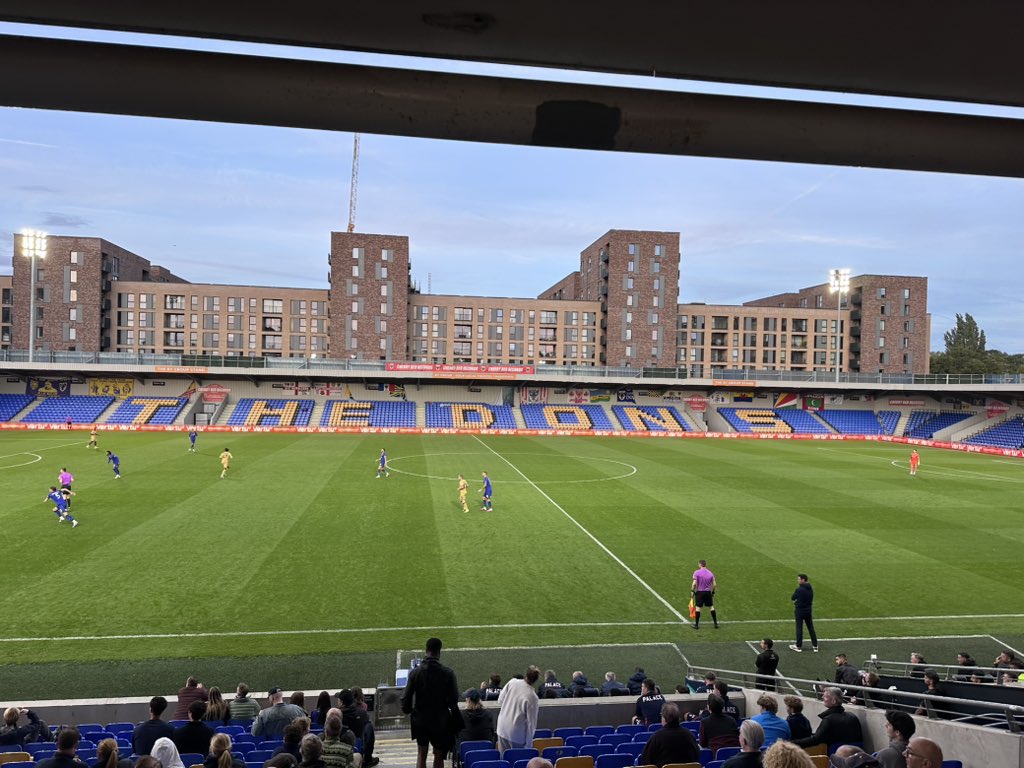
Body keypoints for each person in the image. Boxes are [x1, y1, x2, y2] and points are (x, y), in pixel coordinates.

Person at [401, 637, 462, 768]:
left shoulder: (415, 673)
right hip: (440, 721)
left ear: (426, 651)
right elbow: (453, 701)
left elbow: (405, 700)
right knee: (439, 756)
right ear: (439, 652)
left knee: (421, 754)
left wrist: (411, 711)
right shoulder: (448, 673)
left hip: (421, 719)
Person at [791, 686, 863, 749]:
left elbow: (815, 740)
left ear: (834, 701)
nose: (822, 697)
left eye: (825, 696)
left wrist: (792, 743)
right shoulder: (852, 716)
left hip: (837, 755)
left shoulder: (829, 719)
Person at [639, 703, 700, 768]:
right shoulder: (689, 735)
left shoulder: (657, 737)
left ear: (664, 718)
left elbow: (645, 760)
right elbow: (696, 756)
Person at [495, 666, 540, 753]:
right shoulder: (532, 697)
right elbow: (531, 724)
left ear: (526, 675)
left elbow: (500, 700)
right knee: (516, 760)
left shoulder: (513, 682)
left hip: (502, 728)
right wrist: (528, 745)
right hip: (516, 735)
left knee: (504, 760)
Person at [339, 689, 376, 767]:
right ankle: (368, 759)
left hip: (341, 750)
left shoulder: (337, 714)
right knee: (369, 727)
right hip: (358, 748)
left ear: (341, 702)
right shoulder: (362, 713)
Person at [456, 688, 495, 753]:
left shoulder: (461, 715)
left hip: (466, 752)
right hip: (485, 751)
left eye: (466, 699)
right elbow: (492, 732)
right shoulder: (488, 714)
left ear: (468, 700)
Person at [789, 573, 818, 652]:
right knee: (811, 627)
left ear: (803, 580)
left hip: (800, 611)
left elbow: (792, 597)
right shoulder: (810, 588)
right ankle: (815, 646)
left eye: (799, 579)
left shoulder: (799, 589)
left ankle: (798, 646)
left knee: (799, 628)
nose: (797, 580)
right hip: (808, 610)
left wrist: (797, 601)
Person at [690, 559, 719, 629]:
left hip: (700, 592)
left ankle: (696, 625)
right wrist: (713, 592)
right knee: (711, 607)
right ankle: (715, 624)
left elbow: (694, 584)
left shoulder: (697, 572)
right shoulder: (710, 573)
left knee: (698, 608)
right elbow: (714, 585)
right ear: (705, 565)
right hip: (708, 592)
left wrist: (692, 591)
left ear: (700, 564)